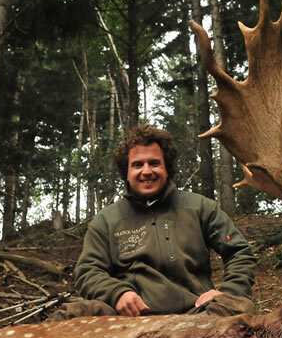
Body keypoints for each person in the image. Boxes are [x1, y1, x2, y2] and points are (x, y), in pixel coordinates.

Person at [50, 124, 256, 320]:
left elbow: (239, 252)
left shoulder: (200, 207)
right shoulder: (106, 220)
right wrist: (117, 293)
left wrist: (226, 293)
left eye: (154, 163)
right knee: (69, 315)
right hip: (128, 317)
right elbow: (88, 270)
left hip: (196, 314)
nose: (146, 171)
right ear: (127, 173)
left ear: (167, 168)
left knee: (238, 306)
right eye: (137, 165)